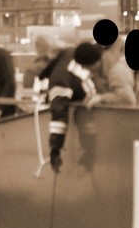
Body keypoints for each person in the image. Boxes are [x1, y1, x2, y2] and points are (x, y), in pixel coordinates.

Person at [39, 41, 102, 172]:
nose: (98, 67)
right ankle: (88, 152)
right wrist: (55, 150)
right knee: (81, 111)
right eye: (95, 65)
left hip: (77, 97)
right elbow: (58, 116)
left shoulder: (73, 53)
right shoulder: (62, 83)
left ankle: (88, 151)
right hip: (67, 96)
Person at [87, 38, 139, 108]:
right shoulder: (101, 73)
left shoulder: (116, 71)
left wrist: (101, 98)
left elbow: (128, 99)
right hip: (129, 114)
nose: (85, 69)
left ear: (95, 64)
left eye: (85, 66)